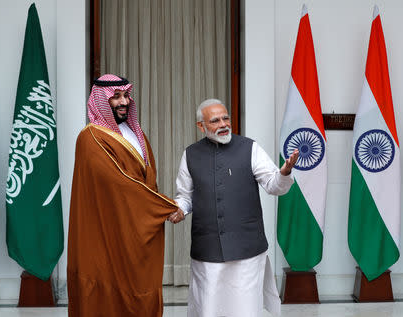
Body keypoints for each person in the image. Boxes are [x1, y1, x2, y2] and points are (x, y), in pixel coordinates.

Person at [168, 99, 299, 317]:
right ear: (201, 126)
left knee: (245, 309)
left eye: (225, 118)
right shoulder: (190, 154)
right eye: (215, 120)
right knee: (208, 308)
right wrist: (180, 210)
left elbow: (274, 185)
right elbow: (185, 196)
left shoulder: (250, 148)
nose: (223, 124)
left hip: (246, 248)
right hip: (207, 248)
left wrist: (284, 172)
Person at [67, 74, 179, 317]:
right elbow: (119, 183)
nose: (123, 102)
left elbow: (147, 179)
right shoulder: (90, 138)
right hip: (107, 232)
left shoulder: (134, 132)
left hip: (138, 229)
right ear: (100, 100)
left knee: (142, 289)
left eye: (126, 95)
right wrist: (165, 206)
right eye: (115, 97)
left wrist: (156, 206)